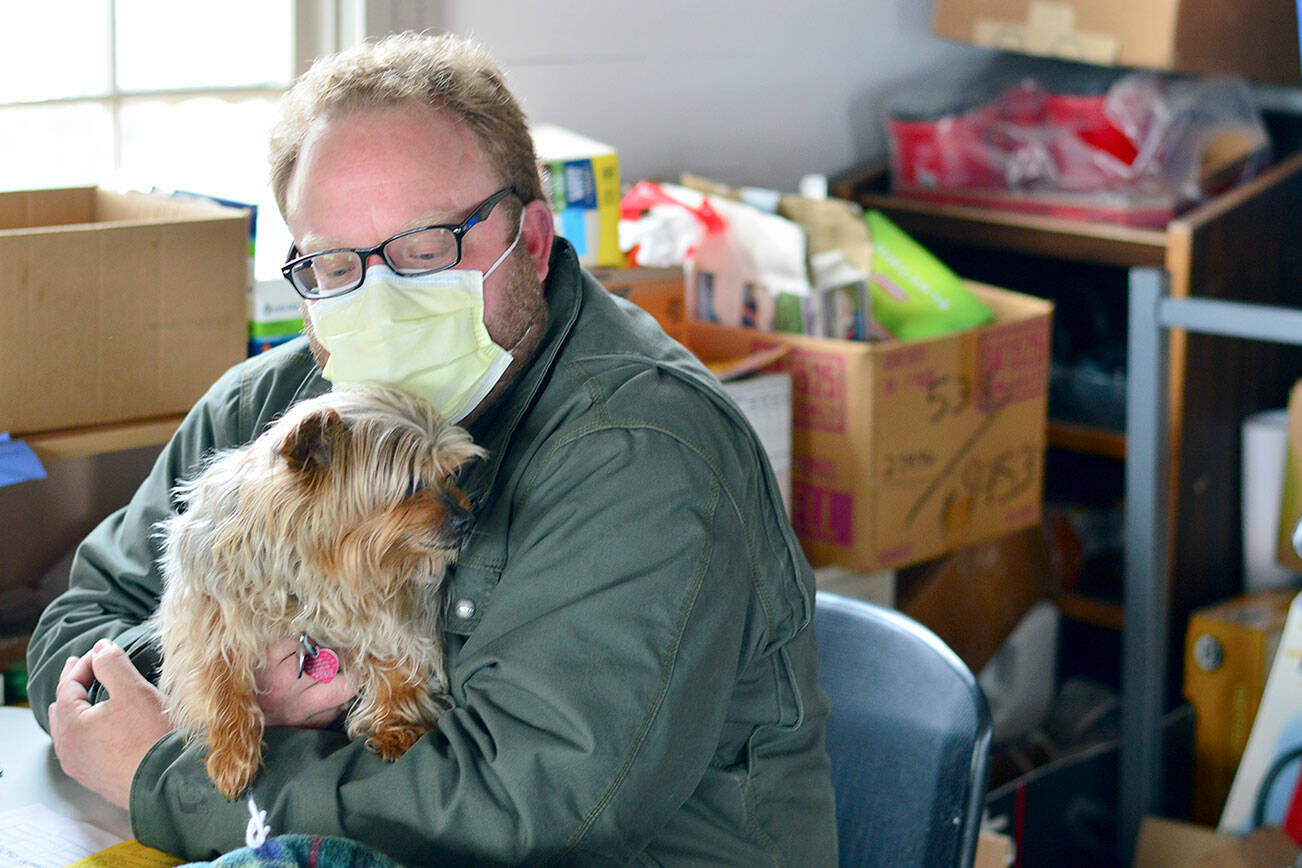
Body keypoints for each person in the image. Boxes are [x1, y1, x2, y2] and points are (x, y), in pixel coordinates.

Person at [28, 31, 838, 866]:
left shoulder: (643, 454)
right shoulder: (271, 411)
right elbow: (85, 620)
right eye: (335, 267)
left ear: (528, 236)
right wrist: (234, 680)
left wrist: (166, 772)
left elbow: (519, 808)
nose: (380, 298)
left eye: (426, 250)